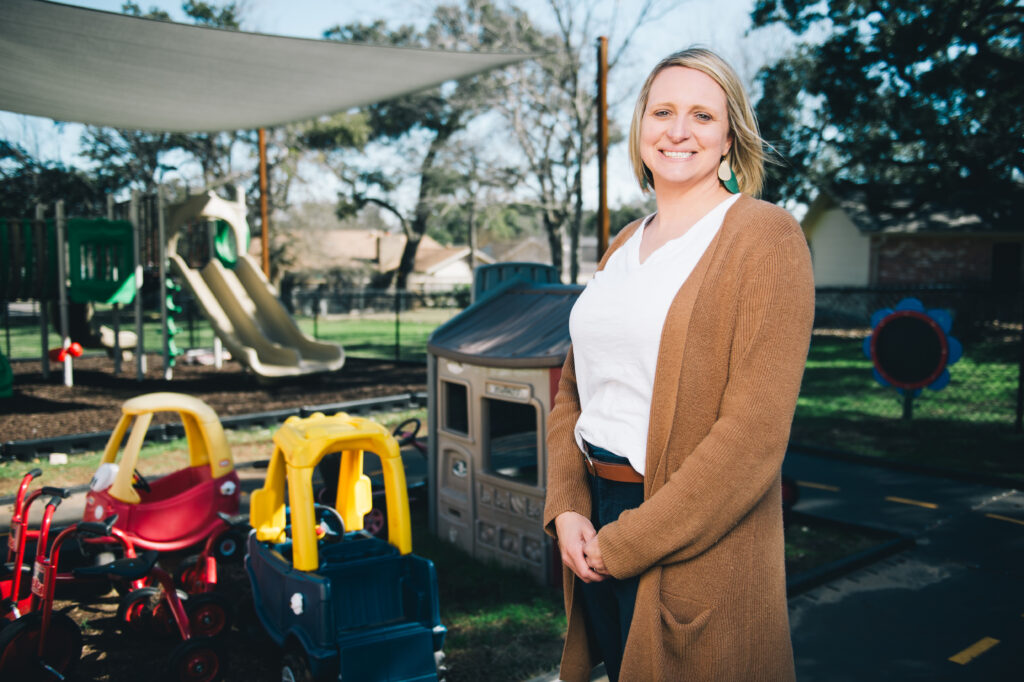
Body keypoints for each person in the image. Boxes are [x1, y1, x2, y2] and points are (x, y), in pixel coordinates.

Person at [543, 46, 814, 682]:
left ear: (729, 138)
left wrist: (626, 541)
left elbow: (752, 437)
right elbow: (573, 395)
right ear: (640, 131)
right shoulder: (622, 245)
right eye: (662, 111)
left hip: (689, 537)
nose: (679, 130)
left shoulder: (765, 238)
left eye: (702, 115)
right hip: (596, 523)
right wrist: (570, 506)